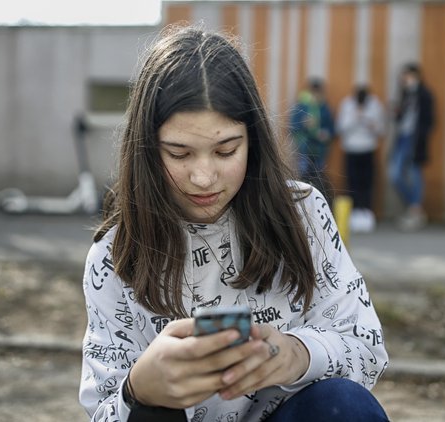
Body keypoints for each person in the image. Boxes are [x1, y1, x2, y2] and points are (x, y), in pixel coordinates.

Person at [79, 26, 389, 422]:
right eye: (179, 153)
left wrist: (298, 353)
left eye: (226, 150)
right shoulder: (114, 256)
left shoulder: (304, 214)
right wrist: (137, 390)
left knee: (343, 404)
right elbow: (101, 410)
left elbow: (368, 349)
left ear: (253, 141)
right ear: (145, 148)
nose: (204, 177)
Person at [388, 63, 434, 231]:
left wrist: (420, 136)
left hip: (415, 141)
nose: (404, 79)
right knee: (395, 175)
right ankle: (415, 208)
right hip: (402, 138)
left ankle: (414, 211)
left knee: (414, 174)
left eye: (407, 76)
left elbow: (429, 120)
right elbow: (400, 118)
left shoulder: (424, 94)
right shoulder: (404, 94)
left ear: (416, 76)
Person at [337, 85, 386, 233]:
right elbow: (340, 128)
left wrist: (369, 121)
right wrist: (355, 117)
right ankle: (353, 214)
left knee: (367, 182)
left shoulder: (375, 105)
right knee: (352, 181)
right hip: (351, 149)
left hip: (368, 148)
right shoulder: (347, 104)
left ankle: (367, 213)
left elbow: (381, 129)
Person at [288, 78, 335, 205]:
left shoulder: (325, 108)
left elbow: (332, 129)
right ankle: (303, 205)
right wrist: (305, 124)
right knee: (303, 180)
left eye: (318, 93)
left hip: (319, 151)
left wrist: (325, 134)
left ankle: (319, 205)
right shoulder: (301, 106)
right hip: (304, 150)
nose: (316, 96)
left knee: (319, 179)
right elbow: (293, 127)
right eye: (313, 93)